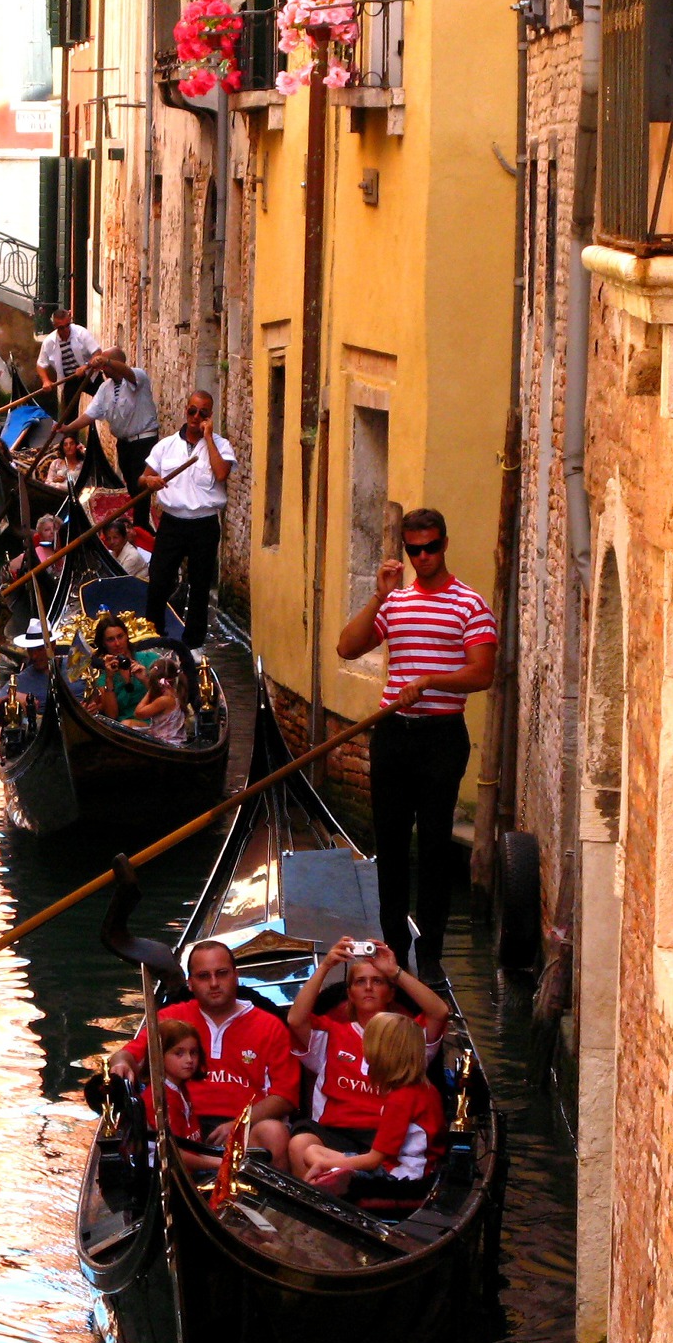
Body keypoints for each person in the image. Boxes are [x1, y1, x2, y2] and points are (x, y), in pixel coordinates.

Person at [334, 507, 497, 979]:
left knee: (433, 847)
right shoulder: (396, 602)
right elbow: (348, 647)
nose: (422, 557)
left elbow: (481, 672)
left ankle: (428, 957)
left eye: (430, 548)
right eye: (414, 550)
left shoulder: (470, 605)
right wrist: (377, 597)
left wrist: (430, 680)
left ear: (444, 544)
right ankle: (392, 950)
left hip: (441, 738)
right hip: (393, 736)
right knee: (388, 843)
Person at [109, 939, 297, 1167]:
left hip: (246, 1127)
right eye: (204, 976)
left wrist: (238, 1124)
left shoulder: (270, 1025)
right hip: (181, 1124)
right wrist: (121, 1065)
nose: (214, 983)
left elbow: (284, 1097)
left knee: (274, 1132)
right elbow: (128, 1055)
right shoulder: (170, 1018)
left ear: (236, 975)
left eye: (222, 973)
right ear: (190, 983)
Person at [284, 938, 450, 1155]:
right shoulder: (331, 1033)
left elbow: (440, 1012)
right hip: (335, 1134)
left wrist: (394, 971)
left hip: (390, 1135)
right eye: (360, 982)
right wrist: (326, 966)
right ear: (350, 994)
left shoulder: (408, 1036)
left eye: (378, 981)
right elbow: (296, 1020)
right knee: (300, 1144)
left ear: (391, 992)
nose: (369, 987)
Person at [288, 1012, 447, 1192]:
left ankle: (335, 1183)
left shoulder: (401, 1098)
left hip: (399, 1176)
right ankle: (333, 1176)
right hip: (390, 1165)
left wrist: (327, 1163)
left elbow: (374, 1160)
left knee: (317, 1159)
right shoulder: (423, 1089)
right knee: (311, 1152)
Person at [140, 392, 236, 653]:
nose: (196, 417)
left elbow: (221, 473)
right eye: (192, 411)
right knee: (159, 580)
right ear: (186, 411)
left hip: (204, 524)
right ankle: (154, 637)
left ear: (210, 416)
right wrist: (149, 482)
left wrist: (208, 438)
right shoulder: (166, 446)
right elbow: (143, 478)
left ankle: (193, 644)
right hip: (172, 523)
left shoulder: (221, 446)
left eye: (203, 413)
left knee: (200, 584)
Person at [60, 350, 161, 528]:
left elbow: (127, 372)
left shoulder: (138, 376)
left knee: (140, 487)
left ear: (117, 363)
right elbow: (90, 414)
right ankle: (139, 525)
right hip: (124, 443)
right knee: (131, 485)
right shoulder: (105, 388)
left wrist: (106, 360)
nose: (104, 370)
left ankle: (141, 528)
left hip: (144, 441)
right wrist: (68, 428)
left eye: (107, 366)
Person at [140, 1019, 219, 1175]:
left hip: (188, 1169)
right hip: (166, 1176)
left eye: (193, 1052)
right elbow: (174, 1154)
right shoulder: (161, 1099)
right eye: (179, 1053)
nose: (189, 1060)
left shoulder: (179, 1088)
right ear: (159, 1056)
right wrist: (216, 1164)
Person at [35, 308, 102, 427]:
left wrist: (86, 367)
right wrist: (45, 381)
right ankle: (70, 441)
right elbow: (40, 365)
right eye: (61, 328)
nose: (66, 330)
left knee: (107, 400)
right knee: (69, 417)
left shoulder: (81, 333)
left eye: (67, 326)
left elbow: (97, 353)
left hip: (90, 375)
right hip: (69, 380)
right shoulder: (49, 342)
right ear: (55, 327)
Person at [85, 617, 157, 721]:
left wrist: (145, 679)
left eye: (120, 636)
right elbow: (112, 716)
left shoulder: (149, 659)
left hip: (156, 720)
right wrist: (109, 679)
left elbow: (168, 697)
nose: (117, 643)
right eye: (110, 639)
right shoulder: (103, 678)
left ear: (127, 636)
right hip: (125, 729)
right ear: (104, 644)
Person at [0, 618, 53, 721]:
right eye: (31, 651)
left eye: (39, 650)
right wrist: (12, 697)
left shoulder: (74, 668)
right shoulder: (23, 679)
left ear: (53, 645)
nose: (34, 656)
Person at [136, 653, 189, 746]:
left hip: (167, 743)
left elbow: (139, 713)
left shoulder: (164, 700)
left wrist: (150, 690)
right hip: (171, 739)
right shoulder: (175, 694)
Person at [5, 514, 62, 581]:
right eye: (47, 530)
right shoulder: (31, 554)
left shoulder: (66, 551)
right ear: (40, 534)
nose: (52, 532)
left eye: (55, 529)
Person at [102, 514, 150, 580]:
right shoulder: (113, 553)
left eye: (115, 538)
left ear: (124, 538)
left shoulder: (132, 557)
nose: (112, 542)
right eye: (108, 539)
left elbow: (118, 581)